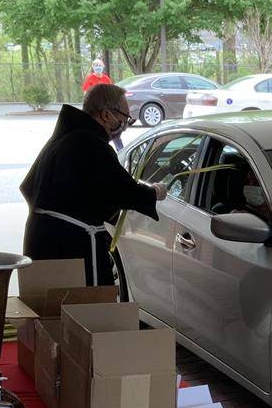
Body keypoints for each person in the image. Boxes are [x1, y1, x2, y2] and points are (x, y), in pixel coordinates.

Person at [21, 84, 167, 286]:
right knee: (82, 310)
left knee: (49, 308)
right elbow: (123, 191)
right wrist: (154, 192)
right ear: (106, 115)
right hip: (70, 245)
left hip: (43, 237)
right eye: (125, 118)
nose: (125, 124)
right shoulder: (90, 143)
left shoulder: (65, 136)